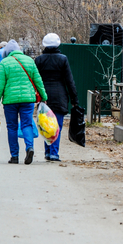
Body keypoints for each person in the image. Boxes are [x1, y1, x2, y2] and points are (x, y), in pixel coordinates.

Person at [0, 39, 47, 165]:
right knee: (26, 124)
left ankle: (14, 156)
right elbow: (38, 81)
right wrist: (44, 96)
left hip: (10, 101)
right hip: (28, 99)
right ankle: (29, 147)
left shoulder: (4, 63)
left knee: (12, 127)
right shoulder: (29, 61)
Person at [34, 33, 78, 162]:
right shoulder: (62, 59)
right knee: (56, 125)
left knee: (45, 124)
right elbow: (70, 81)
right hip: (60, 96)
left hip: (44, 97)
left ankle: (48, 152)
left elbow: (35, 80)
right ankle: (54, 153)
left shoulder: (39, 60)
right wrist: (74, 99)